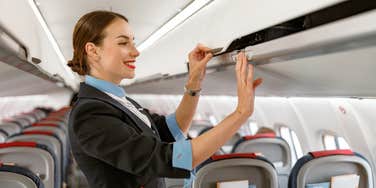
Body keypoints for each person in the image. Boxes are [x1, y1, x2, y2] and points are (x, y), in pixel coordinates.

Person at [67, 10, 262, 188]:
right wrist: (240, 113)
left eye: (133, 42)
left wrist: (194, 83)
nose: (136, 51)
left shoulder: (120, 101)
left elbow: (172, 129)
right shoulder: (89, 114)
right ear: (93, 50)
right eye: (123, 42)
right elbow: (165, 159)